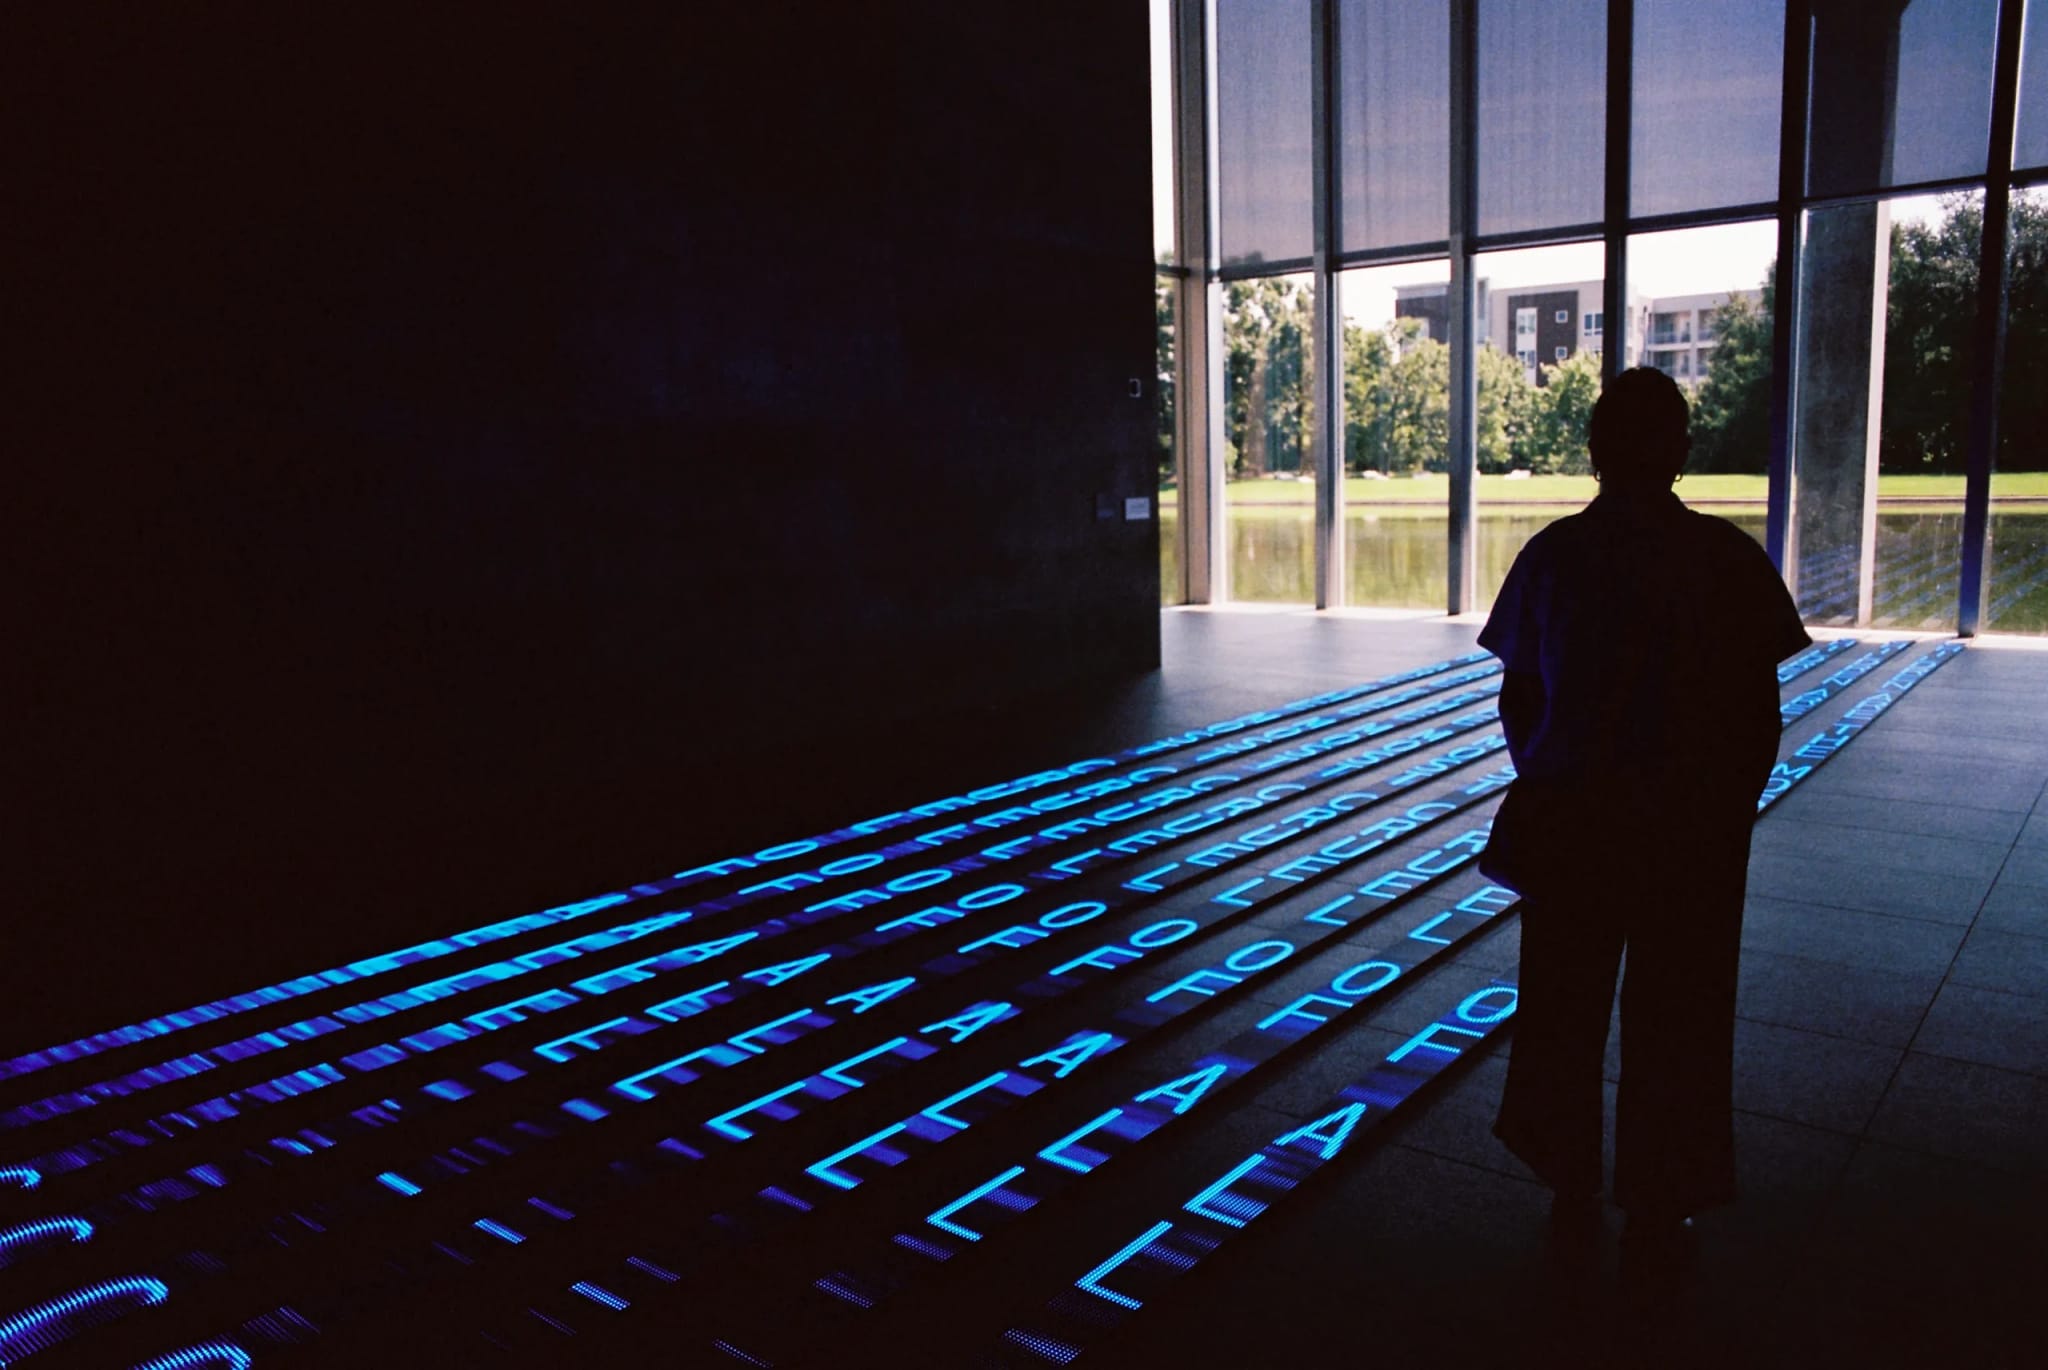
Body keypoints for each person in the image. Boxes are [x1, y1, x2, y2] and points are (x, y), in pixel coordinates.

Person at [1475, 367, 1810, 1265]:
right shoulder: (1728, 558)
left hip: (1575, 821)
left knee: (1561, 1006)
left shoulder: (1552, 554)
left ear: (1593, 450)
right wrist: (1725, 810)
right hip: (1689, 833)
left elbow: (1520, 697)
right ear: (1680, 450)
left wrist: (1551, 775)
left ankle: (1567, 1170)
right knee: (1683, 1016)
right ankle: (1664, 1190)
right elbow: (1756, 712)